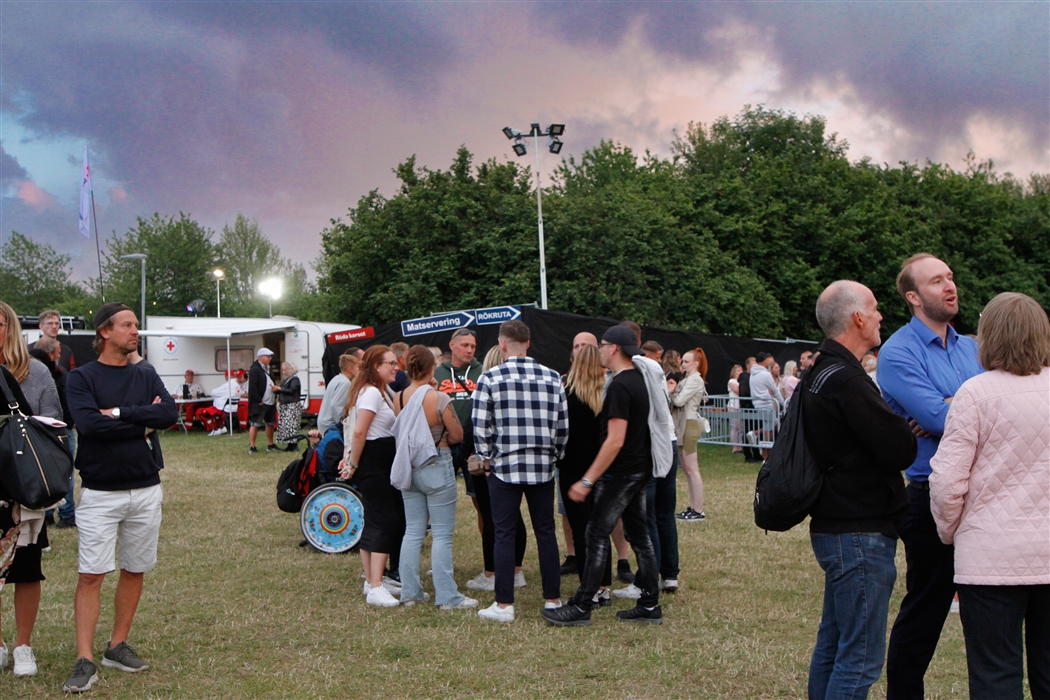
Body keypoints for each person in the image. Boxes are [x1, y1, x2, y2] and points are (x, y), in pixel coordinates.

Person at [929, 292, 1050, 700]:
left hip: (991, 555)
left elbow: (946, 482)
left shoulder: (974, 394)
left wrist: (951, 533)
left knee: (995, 675)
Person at [804, 281, 918, 699]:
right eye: (874, 308)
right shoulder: (847, 380)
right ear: (857, 317)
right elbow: (898, 447)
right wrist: (905, 427)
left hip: (838, 526)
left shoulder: (821, 371)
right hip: (858, 530)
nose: (880, 316)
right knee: (861, 656)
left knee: (835, 645)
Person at [879, 254, 983, 700]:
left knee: (990, 612)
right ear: (913, 297)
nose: (949, 286)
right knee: (925, 610)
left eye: (950, 277)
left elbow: (962, 412)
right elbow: (936, 418)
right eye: (936, 280)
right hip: (929, 494)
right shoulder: (898, 351)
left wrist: (948, 404)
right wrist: (951, 409)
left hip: (985, 493)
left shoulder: (973, 347)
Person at [62, 302, 178, 693]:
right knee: (92, 573)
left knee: (135, 567)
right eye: (127, 325)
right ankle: (84, 658)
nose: (135, 331)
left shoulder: (145, 373)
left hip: (146, 487)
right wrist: (141, 420)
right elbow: (89, 425)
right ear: (104, 332)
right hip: (100, 491)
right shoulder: (81, 378)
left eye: (136, 325)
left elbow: (169, 415)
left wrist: (118, 413)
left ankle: (117, 645)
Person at [542, 325, 665, 626]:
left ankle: (583, 604)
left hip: (622, 472)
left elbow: (614, 440)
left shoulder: (622, 386)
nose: (597, 351)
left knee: (596, 533)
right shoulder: (637, 380)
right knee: (639, 535)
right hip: (638, 468)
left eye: (602, 345)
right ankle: (649, 604)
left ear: (614, 349)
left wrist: (587, 480)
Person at [472, 320, 567, 622]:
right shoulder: (553, 378)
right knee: (546, 533)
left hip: (504, 468)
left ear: (502, 344)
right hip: (542, 467)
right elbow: (562, 426)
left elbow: (480, 426)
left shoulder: (489, 378)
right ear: (528, 343)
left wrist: (486, 460)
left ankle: (504, 605)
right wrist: (557, 456)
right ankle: (553, 599)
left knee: (504, 534)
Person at [438, 329, 528, 593]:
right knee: (494, 511)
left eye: (473, 346)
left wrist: (470, 453)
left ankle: (496, 570)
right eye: (464, 345)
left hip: (480, 452)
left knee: (491, 513)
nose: (469, 350)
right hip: (480, 449)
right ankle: (508, 567)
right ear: (452, 345)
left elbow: (476, 424)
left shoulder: (486, 380)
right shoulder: (440, 372)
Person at [391, 345, 477, 610]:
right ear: (432, 368)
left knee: (413, 531)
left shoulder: (399, 397)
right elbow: (457, 435)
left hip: (410, 466)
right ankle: (448, 597)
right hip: (436, 462)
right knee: (441, 534)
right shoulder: (438, 398)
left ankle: (410, 593)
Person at [0, 312, 53, 678]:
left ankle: (23, 645)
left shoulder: (35, 371)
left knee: (26, 568)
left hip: (21, 483)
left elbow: (54, 418)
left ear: (10, 327)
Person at [338, 345, 406, 607]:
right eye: (390, 363)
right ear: (376, 367)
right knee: (385, 521)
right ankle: (376, 586)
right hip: (374, 463)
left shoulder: (380, 391)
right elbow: (359, 432)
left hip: (380, 462)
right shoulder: (370, 393)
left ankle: (372, 580)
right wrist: (353, 464)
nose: (396, 367)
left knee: (376, 520)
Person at [557, 344, 612, 605]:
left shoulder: (566, 395)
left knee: (581, 530)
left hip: (572, 469)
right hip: (602, 467)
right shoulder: (607, 394)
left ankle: (588, 587)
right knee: (601, 529)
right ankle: (603, 586)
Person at [33, 335, 78, 528]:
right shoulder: (60, 375)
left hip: (39, 431)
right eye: (58, 352)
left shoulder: (30, 375)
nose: (60, 355)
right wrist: (68, 424)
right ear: (50, 354)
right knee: (64, 473)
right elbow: (68, 405)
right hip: (59, 430)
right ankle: (66, 513)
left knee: (44, 472)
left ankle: (48, 512)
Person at [673, 348, 707, 522]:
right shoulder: (687, 379)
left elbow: (679, 401)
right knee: (687, 469)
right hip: (684, 423)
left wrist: (671, 391)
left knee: (692, 469)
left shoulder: (695, 380)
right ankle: (694, 507)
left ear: (696, 363)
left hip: (689, 423)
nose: (683, 364)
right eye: (682, 361)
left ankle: (698, 509)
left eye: (686, 361)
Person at [749, 352, 783, 460]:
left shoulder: (752, 374)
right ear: (764, 361)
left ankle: (755, 434)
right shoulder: (766, 374)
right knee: (770, 429)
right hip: (767, 404)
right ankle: (765, 455)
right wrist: (783, 403)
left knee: (775, 424)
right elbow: (775, 390)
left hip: (757, 404)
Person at [317, 353, 360, 435]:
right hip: (330, 424)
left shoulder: (337, 379)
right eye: (357, 367)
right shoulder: (345, 383)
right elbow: (336, 405)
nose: (359, 370)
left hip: (324, 421)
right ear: (350, 369)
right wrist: (341, 423)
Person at [247, 348, 277, 454]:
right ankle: (252, 446)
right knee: (255, 424)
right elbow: (252, 386)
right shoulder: (255, 369)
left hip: (270, 401)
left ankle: (270, 444)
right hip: (261, 402)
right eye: (267, 356)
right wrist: (258, 400)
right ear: (260, 357)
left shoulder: (269, 368)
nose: (270, 358)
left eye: (270, 356)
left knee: (270, 423)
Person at [199, 370, 242, 435]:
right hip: (234, 408)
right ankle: (221, 427)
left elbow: (213, 392)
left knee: (200, 412)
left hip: (224, 408)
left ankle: (215, 428)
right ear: (233, 375)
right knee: (214, 413)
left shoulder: (226, 385)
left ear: (226, 376)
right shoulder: (237, 385)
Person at [37, 309, 75, 373]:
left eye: (57, 323)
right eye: (50, 323)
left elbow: (72, 374)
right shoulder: (30, 349)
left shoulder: (66, 350)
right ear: (41, 326)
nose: (54, 326)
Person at [275, 361, 302, 451]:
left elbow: (291, 390)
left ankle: (294, 445)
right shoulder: (287, 380)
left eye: (284, 370)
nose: (283, 372)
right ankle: (289, 444)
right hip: (285, 405)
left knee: (291, 425)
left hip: (292, 405)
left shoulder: (295, 380)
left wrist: (280, 389)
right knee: (286, 425)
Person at [727, 364, 744, 452]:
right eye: (738, 371)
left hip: (740, 407)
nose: (740, 372)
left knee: (741, 427)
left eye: (741, 370)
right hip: (733, 406)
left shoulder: (741, 382)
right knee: (735, 427)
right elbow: (737, 391)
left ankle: (740, 445)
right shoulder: (732, 381)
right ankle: (735, 446)